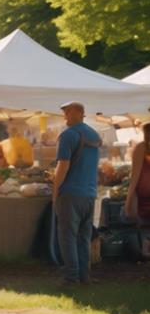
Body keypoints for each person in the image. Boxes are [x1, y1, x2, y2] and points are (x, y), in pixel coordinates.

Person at [53, 101, 102, 285]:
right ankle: (84, 276)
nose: (65, 116)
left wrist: (55, 192)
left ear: (80, 112)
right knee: (83, 238)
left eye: (68, 112)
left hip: (71, 193)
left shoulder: (68, 135)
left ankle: (71, 277)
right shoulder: (94, 134)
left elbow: (63, 166)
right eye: (64, 112)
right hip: (90, 193)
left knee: (67, 237)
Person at [125, 122, 150, 224]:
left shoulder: (141, 148)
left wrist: (128, 202)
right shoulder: (142, 148)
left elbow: (135, 177)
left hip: (144, 196)